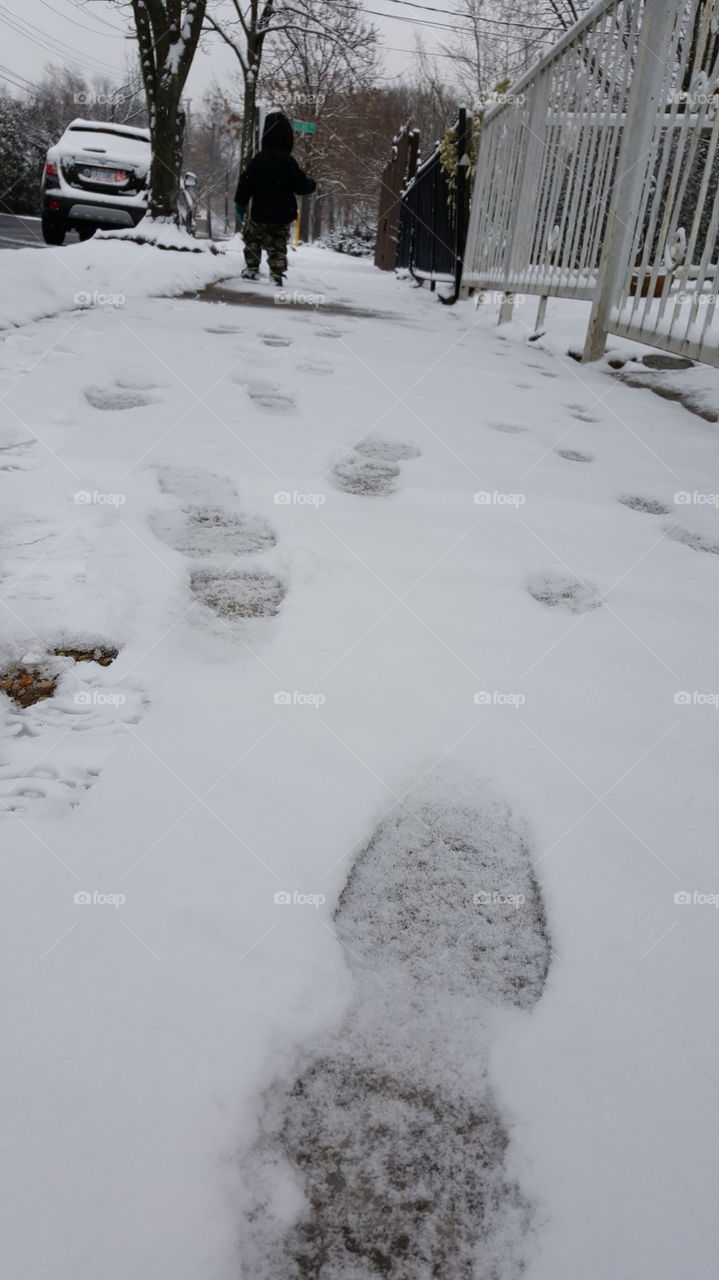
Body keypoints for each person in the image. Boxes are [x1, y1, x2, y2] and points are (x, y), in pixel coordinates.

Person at [234, 111, 316, 286]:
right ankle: (276, 274)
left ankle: (252, 268)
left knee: (253, 239)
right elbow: (301, 186)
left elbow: (245, 182)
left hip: (259, 211)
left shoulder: (258, 160)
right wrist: (311, 183)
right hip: (282, 214)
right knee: (278, 244)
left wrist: (240, 203)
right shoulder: (289, 162)